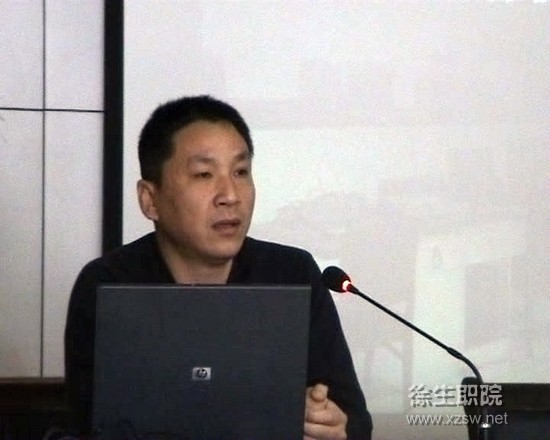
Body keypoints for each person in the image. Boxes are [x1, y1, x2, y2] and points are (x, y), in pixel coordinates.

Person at [65, 95, 373, 439]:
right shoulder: (108, 285)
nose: (230, 195)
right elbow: (90, 427)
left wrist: (333, 426)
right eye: (204, 174)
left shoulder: (292, 273)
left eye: (241, 172)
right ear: (150, 200)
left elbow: (356, 422)